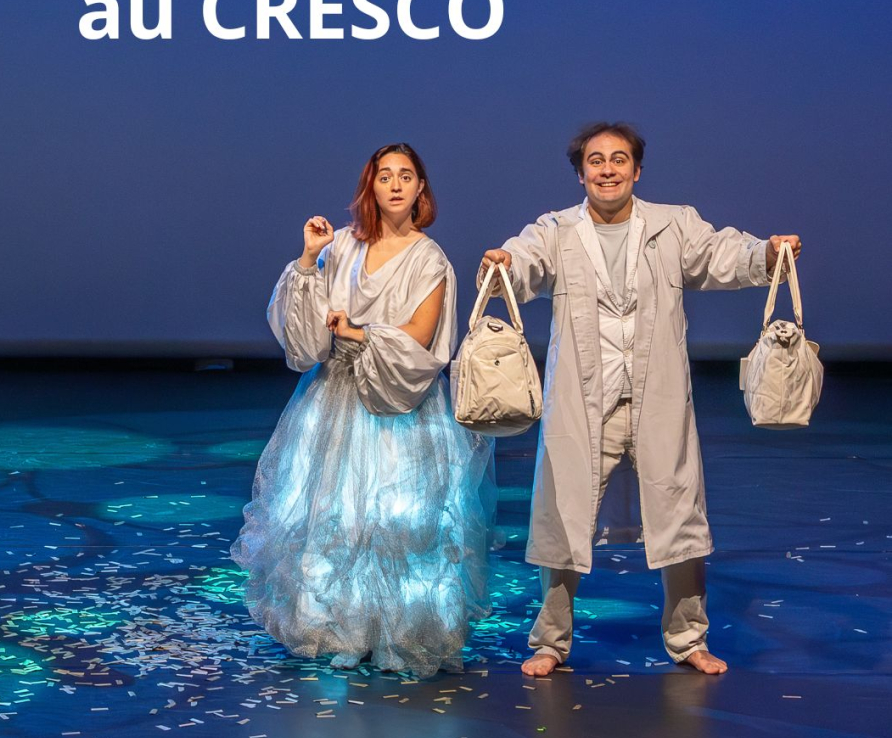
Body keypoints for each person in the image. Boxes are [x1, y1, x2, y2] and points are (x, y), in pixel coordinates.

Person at [478, 122, 802, 676]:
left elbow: (720, 253)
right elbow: (524, 261)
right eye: (596, 160)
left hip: (656, 398)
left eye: (619, 159)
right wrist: (503, 264)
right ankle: (550, 642)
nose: (608, 169)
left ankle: (689, 639)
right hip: (583, 400)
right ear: (581, 173)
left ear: (637, 170)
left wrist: (767, 255)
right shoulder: (556, 230)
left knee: (679, 516)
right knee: (564, 515)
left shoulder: (672, 225)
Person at [231, 143, 492, 677]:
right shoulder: (342, 246)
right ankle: (336, 627)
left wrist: (360, 332)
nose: (395, 185)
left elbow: (421, 336)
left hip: (401, 405)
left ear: (421, 188)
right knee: (335, 516)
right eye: (384, 175)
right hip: (334, 400)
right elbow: (305, 334)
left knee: (399, 521)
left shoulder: (429, 259)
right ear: (370, 185)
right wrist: (309, 258)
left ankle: (403, 629)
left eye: (406, 176)